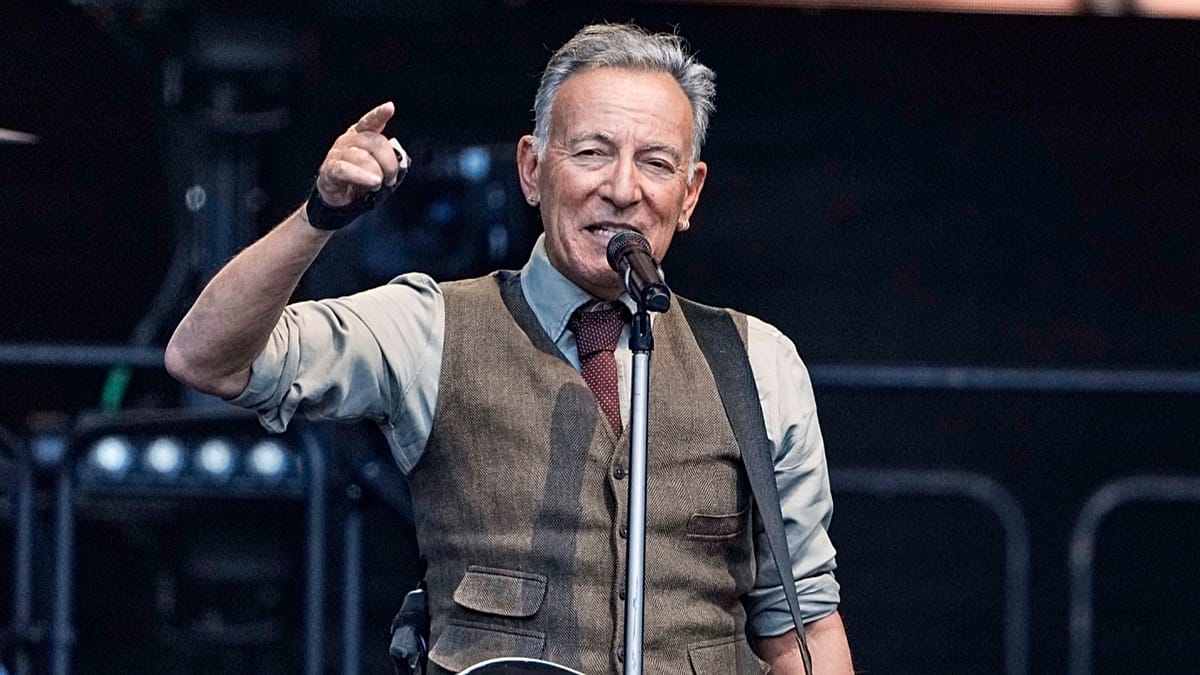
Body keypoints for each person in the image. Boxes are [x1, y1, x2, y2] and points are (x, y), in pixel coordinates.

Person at [166, 22, 853, 674]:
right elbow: (207, 358)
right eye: (591, 152)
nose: (622, 188)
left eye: (655, 162)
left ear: (690, 193)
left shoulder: (756, 362)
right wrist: (320, 215)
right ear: (532, 168)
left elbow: (804, 628)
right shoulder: (432, 327)